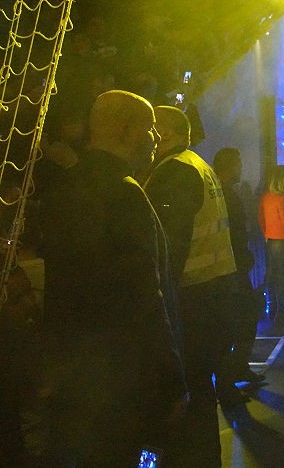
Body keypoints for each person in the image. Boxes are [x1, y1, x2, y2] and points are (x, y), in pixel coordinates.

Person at [40, 90, 187, 466]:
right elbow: (144, 295)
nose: (156, 139)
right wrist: (171, 378)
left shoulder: (64, 188)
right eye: (150, 129)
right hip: (121, 378)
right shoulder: (125, 195)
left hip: (74, 373)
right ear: (126, 131)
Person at [143, 105, 238, 466]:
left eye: (152, 130)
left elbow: (170, 248)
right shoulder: (198, 165)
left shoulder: (175, 172)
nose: (148, 138)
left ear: (165, 133)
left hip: (191, 300)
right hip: (213, 294)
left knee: (188, 400)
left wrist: (157, 305)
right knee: (201, 393)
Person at [213, 148, 266, 385]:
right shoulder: (225, 196)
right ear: (229, 166)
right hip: (230, 269)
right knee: (241, 321)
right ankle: (231, 374)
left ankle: (236, 370)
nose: (241, 168)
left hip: (229, 267)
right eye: (238, 164)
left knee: (239, 321)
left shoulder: (221, 194)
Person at [258, 165, 284, 319]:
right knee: (282, 273)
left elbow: (260, 218)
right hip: (282, 238)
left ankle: (271, 304)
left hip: (269, 239)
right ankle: (282, 305)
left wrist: (265, 233)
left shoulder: (265, 197)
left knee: (271, 273)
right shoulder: (281, 198)